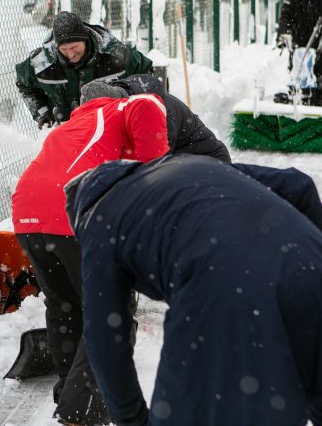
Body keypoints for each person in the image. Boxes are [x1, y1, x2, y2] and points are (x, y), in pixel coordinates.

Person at [65, 154, 322, 426]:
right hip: (311, 259)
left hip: (226, 296)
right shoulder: (190, 165)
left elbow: (103, 336)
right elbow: (298, 184)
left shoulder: (98, 219)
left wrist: (131, 418)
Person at [11, 80, 170, 425]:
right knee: (111, 310)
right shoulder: (126, 108)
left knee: (64, 303)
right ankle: (81, 412)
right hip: (72, 213)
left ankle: (69, 391)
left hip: (27, 216)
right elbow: (149, 128)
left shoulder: (69, 127)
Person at [15, 11, 156, 129]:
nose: (70, 54)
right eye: (64, 49)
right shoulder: (42, 63)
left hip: (112, 128)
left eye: (74, 47)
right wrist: (43, 113)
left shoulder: (115, 54)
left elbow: (147, 75)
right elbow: (24, 84)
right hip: (67, 132)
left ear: (85, 40)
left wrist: (130, 102)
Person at [112, 73, 231, 162]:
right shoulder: (130, 102)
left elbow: (156, 165)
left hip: (210, 163)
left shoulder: (157, 113)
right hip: (186, 163)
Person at [277, 0, 322, 104]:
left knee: (318, 74)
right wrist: (284, 34)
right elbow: (285, 15)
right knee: (297, 70)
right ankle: (295, 97)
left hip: (318, 43)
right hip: (299, 42)